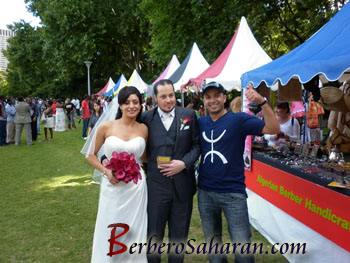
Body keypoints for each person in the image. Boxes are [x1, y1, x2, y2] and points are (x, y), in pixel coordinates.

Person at [197, 82, 280, 263]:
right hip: (205, 193)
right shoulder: (200, 123)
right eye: (208, 97)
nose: (213, 100)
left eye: (216, 95)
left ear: (224, 97)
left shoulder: (239, 120)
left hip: (233, 193)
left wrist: (263, 102)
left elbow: (273, 128)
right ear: (203, 100)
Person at [84, 86, 148, 263]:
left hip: (136, 187)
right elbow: (90, 155)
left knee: (134, 226)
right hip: (112, 185)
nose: (131, 106)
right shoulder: (106, 127)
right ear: (120, 105)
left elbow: (144, 158)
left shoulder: (143, 129)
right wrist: (106, 171)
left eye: (135, 102)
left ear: (141, 105)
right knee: (110, 224)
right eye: (127, 102)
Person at [141, 79, 200, 263]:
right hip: (156, 187)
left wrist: (184, 163)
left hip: (183, 185)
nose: (168, 100)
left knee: (179, 236)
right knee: (154, 235)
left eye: (171, 95)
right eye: (163, 96)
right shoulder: (146, 119)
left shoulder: (189, 114)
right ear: (155, 98)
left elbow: (197, 145)